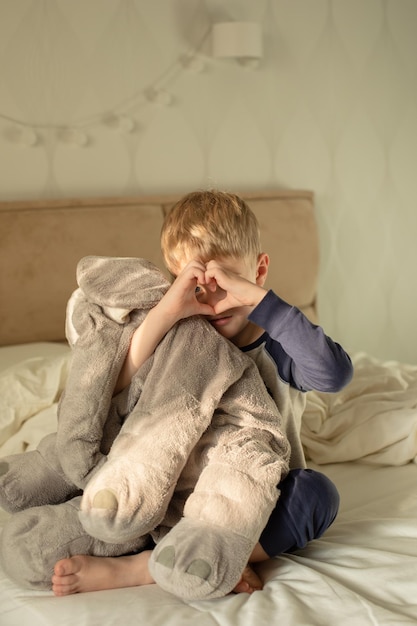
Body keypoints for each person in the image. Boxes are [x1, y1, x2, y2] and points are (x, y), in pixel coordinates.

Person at [52, 190, 353, 597]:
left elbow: (333, 375)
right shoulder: (178, 332)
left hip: (246, 499)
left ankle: (147, 567)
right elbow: (112, 388)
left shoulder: (277, 342)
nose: (213, 301)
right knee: (98, 495)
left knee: (317, 497)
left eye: (228, 281)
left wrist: (266, 305)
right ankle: (199, 553)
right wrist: (166, 313)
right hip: (163, 492)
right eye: (197, 285)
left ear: (259, 271)